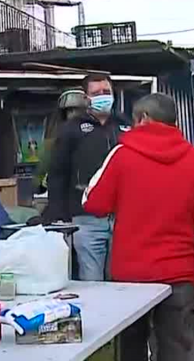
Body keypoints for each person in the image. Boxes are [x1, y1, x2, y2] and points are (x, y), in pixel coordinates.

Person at [82, 93, 194, 361]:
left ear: (144, 118)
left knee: (131, 339)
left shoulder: (122, 155)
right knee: (174, 344)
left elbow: (94, 202)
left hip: (130, 273)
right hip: (179, 275)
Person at [47, 73, 129, 281]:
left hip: (123, 217)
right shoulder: (71, 129)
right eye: (96, 93)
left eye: (106, 92)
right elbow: (57, 173)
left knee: (122, 281)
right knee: (91, 280)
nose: (103, 96)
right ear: (86, 97)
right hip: (85, 218)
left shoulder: (126, 125)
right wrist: (59, 213)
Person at [34, 89, 89, 194]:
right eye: (70, 111)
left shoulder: (96, 136)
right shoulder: (55, 141)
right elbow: (41, 176)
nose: (73, 114)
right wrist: (42, 182)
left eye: (78, 110)